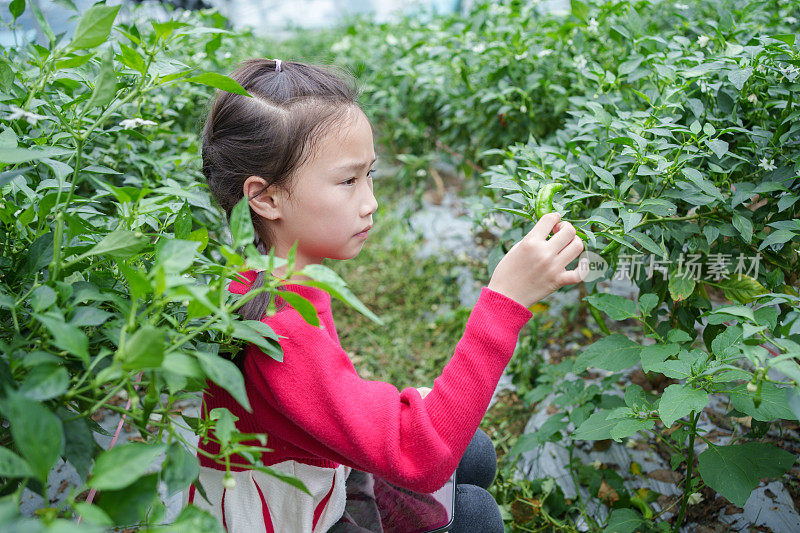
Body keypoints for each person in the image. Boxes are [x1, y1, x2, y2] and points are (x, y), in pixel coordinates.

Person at [185, 58, 588, 532]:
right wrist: (506, 300)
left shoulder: (250, 273)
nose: (371, 199)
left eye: (370, 174)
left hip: (293, 470)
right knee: (475, 515)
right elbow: (420, 458)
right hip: (284, 514)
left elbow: (320, 399)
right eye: (348, 180)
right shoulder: (283, 327)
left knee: (472, 451)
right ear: (267, 198)